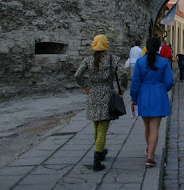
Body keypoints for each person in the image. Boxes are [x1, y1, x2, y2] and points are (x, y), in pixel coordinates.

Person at [75, 34, 127, 172]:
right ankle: (97, 159)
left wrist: (85, 86)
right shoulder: (113, 59)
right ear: (106, 46)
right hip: (106, 95)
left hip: (93, 95)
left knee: (97, 125)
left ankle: (101, 150)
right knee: (103, 127)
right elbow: (124, 74)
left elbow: (77, 75)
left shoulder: (88, 60)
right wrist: (122, 89)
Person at [130, 36, 174, 167]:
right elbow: (169, 81)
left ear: (147, 47)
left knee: (147, 126)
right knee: (155, 127)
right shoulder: (164, 62)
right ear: (158, 48)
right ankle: (150, 157)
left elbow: (135, 82)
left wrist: (134, 98)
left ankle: (149, 149)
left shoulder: (140, 62)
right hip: (158, 94)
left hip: (143, 94)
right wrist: (161, 89)